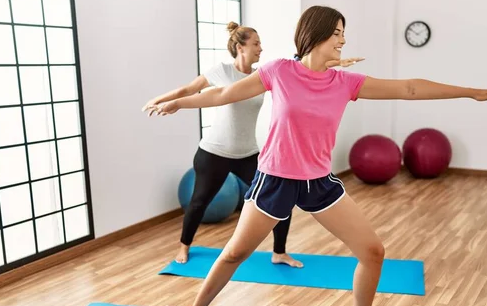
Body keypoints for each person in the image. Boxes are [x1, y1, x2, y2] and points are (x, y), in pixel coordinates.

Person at [150, 6, 487, 306]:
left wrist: (469, 92)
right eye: (337, 33)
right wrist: (180, 101)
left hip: (319, 181)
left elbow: (409, 88)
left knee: (373, 252)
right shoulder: (279, 71)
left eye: (344, 34)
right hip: (275, 178)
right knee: (233, 254)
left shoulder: (344, 82)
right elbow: (225, 93)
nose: (342, 40)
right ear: (316, 34)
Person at [143, 22, 362, 266]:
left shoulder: (263, 74)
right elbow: (190, 89)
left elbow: (301, 66)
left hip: (247, 152)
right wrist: (161, 100)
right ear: (240, 47)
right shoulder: (222, 71)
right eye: (256, 43)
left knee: (282, 201)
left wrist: (335, 63)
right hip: (214, 151)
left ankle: (279, 252)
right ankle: (184, 247)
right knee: (199, 201)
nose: (261, 48)